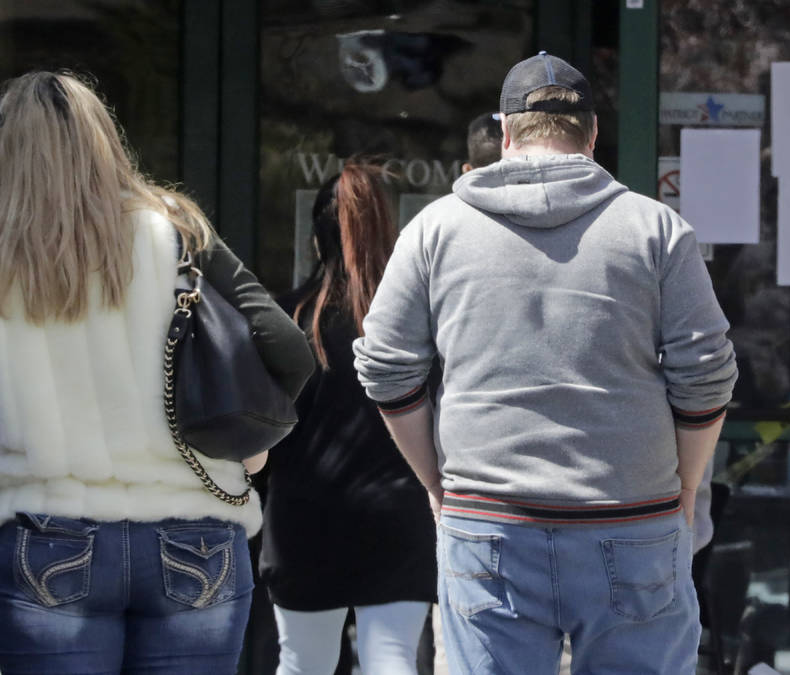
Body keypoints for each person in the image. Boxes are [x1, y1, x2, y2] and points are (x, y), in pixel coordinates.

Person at [353, 52, 738, 674]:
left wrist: (436, 482)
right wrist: (687, 485)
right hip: (634, 519)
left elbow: (385, 367)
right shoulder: (656, 229)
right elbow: (708, 372)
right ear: (591, 137)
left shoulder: (434, 230)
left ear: (504, 135)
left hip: (487, 519)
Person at [0, 71, 313, 674]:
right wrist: (250, 449)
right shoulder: (175, 228)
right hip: (194, 533)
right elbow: (287, 347)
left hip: (43, 536)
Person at [259, 160, 437, 675]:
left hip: (303, 521)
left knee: (302, 663)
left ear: (316, 241)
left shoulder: (285, 319)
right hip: (398, 516)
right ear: (391, 232)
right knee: (393, 660)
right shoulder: (417, 322)